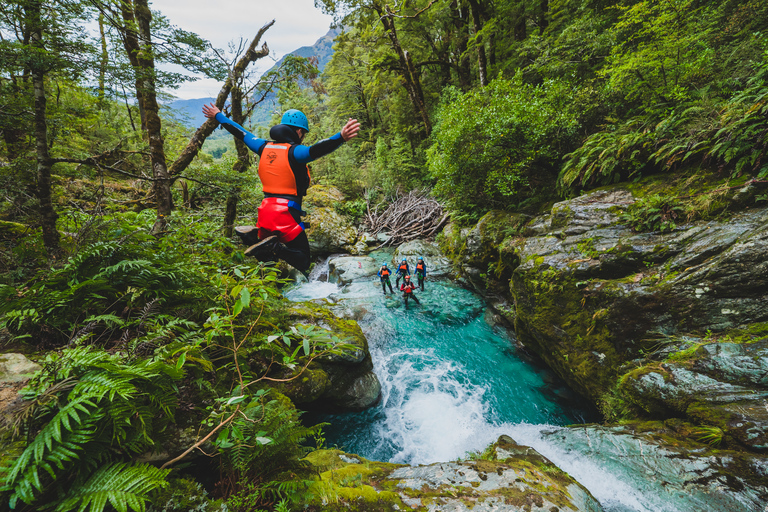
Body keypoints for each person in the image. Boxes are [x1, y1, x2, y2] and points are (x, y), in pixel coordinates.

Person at [202, 104, 360, 275]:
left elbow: (241, 133)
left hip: (264, 211)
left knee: (267, 258)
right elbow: (317, 149)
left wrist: (219, 115)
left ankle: (253, 237)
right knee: (303, 260)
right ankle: (271, 244)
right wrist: (340, 137)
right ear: (299, 132)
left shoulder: (262, 147)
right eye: (303, 133)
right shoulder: (295, 152)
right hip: (285, 213)